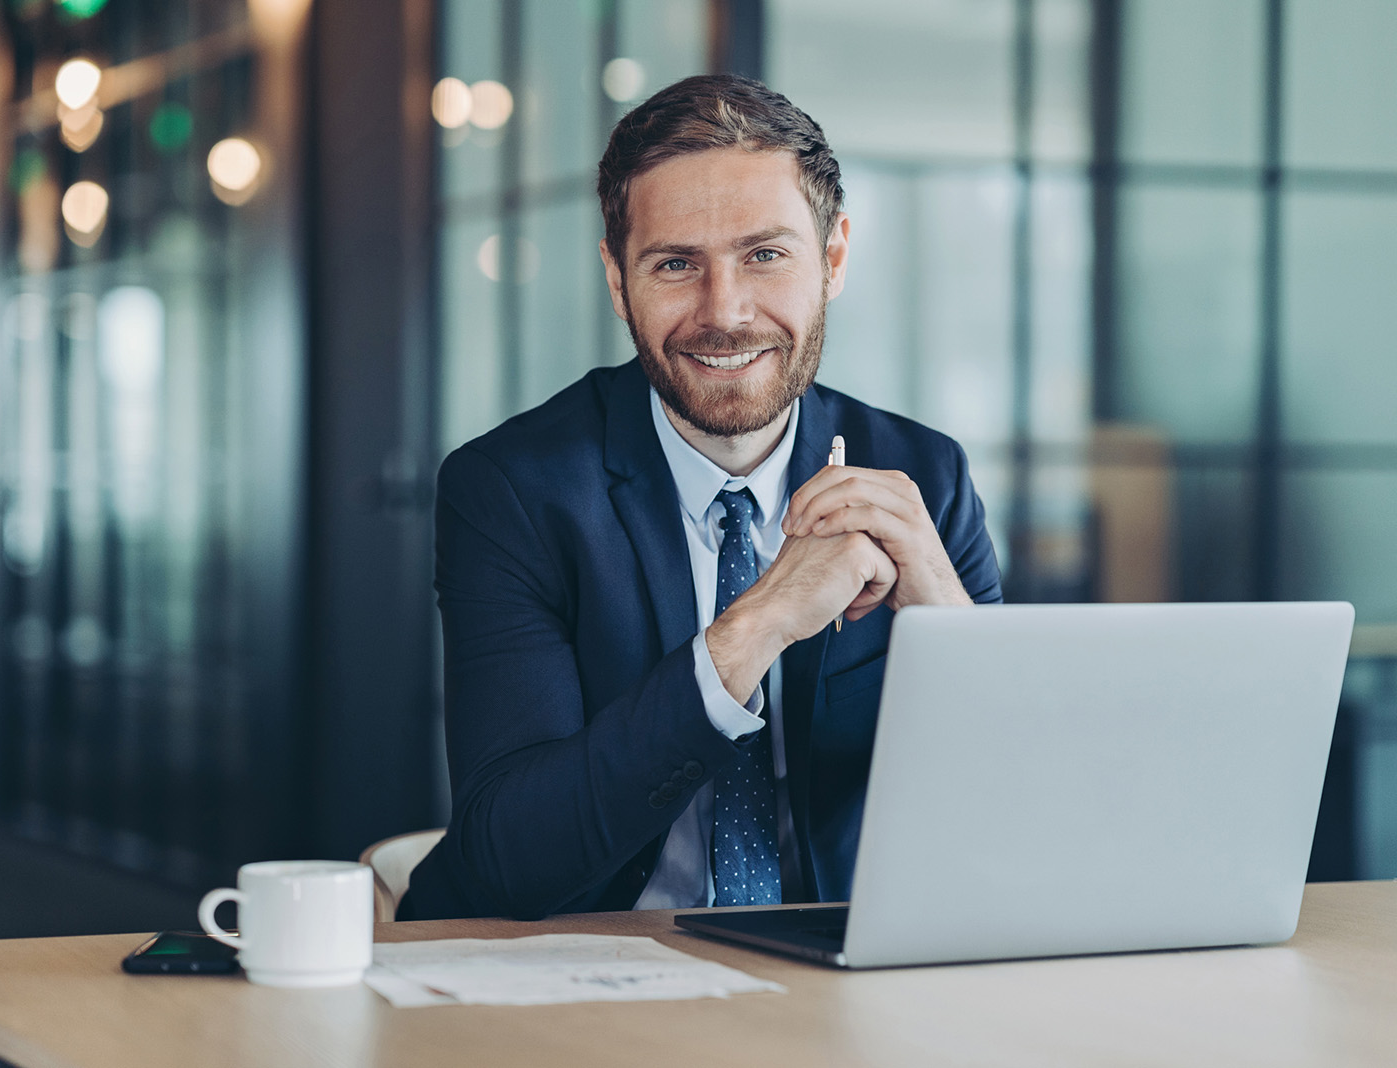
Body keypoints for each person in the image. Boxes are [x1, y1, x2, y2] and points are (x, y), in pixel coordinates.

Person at [401, 73, 1002, 921]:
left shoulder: (924, 476)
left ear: (831, 260)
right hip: (577, 972)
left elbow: (1012, 820)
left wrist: (945, 616)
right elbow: (511, 860)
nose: (725, 314)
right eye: (677, 264)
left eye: (765, 255)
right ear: (619, 281)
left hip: (838, 985)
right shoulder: (511, 491)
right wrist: (755, 627)